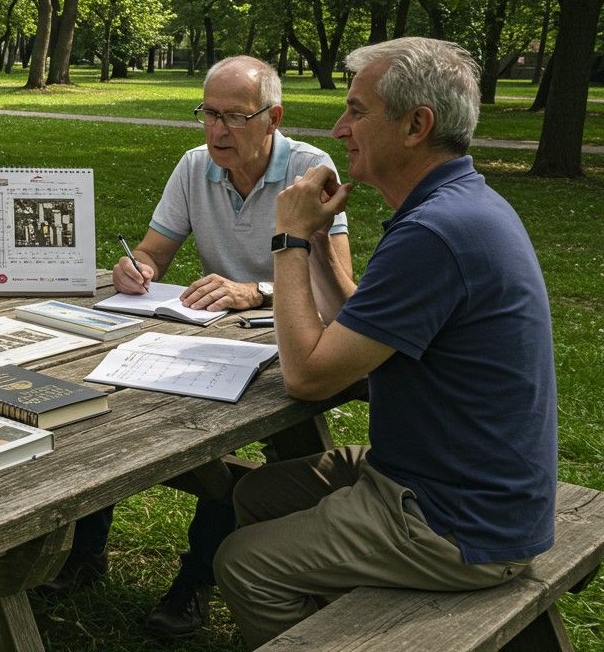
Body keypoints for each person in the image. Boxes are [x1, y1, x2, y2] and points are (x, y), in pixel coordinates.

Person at [213, 37, 556, 648]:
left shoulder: (435, 232)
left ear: (416, 126)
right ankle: (330, 617)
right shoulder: (458, 206)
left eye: (357, 110)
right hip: (446, 478)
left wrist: (289, 238)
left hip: (459, 520)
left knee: (244, 563)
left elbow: (309, 377)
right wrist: (321, 241)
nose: (340, 129)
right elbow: (362, 330)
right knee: (260, 492)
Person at [45, 56, 354, 642]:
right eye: (208, 114)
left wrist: (256, 290)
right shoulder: (195, 166)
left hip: (282, 340)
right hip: (206, 336)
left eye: (235, 117)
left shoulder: (311, 169)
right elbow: (154, 251)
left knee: (241, 440)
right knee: (100, 394)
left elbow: (336, 285)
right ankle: (86, 551)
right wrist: (137, 267)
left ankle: (194, 581)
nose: (217, 130)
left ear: (273, 118)